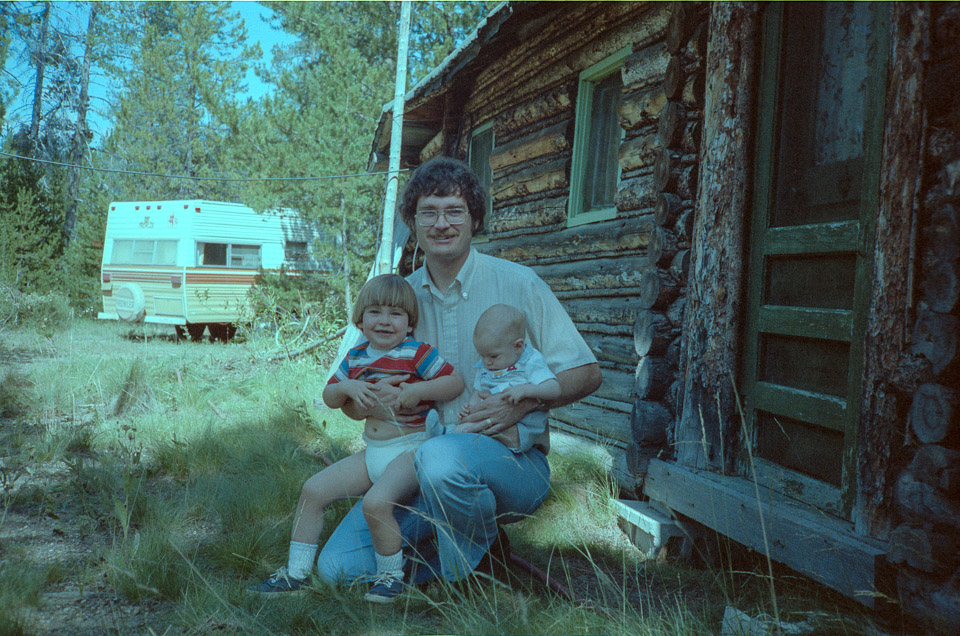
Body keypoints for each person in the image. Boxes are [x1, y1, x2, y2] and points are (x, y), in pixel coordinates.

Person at [315, 156, 602, 593]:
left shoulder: (519, 284)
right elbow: (353, 403)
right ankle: (477, 552)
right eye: (428, 212)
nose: (442, 224)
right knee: (337, 569)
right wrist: (367, 398)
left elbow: (587, 373)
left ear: (474, 220)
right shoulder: (396, 301)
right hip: (411, 462)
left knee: (443, 459)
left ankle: (464, 580)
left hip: (511, 463)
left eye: (455, 211)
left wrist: (528, 400)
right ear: (412, 223)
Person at [249, 274, 464, 602]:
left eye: (396, 314)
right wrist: (348, 386)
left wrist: (417, 389)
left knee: (376, 504)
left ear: (409, 324)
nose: (385, 321)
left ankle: (391, 577)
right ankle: (295, 575)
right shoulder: (356, 356)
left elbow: (454, 383)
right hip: (373, 451)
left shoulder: (417, 352)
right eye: (375, 312)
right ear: (360, 319)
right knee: (313, 491)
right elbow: (329, 395)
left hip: (410, 450)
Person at [447, 303, 562, 453]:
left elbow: (554, 389)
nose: (487, 361)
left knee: (475, 431)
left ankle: (449, 434)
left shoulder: (530, 361)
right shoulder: (487, 365)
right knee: (474, 430)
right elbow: (478, 392)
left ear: (518, 346)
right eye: (482, 355)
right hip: (493, 423)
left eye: (493, 356)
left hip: (522, 428)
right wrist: (470, 409)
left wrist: (526, 390)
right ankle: (451, 435)